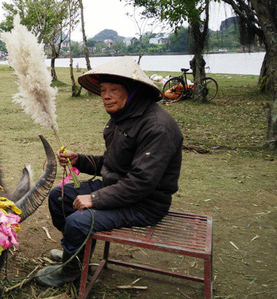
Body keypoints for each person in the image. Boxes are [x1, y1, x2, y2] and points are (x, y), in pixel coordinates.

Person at [37, 57, 183, 287]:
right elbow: (114, 163)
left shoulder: (157, 127)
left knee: (78, 221)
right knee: (58, 197)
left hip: (144, 203)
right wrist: (79, 160)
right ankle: (76, 254)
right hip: (118, 189)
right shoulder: (123, 117)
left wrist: (94, 198)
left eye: (114, 90)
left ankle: (71, 270)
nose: (106, 96)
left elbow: (141, 182)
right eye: (104, 90)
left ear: (133, 91)